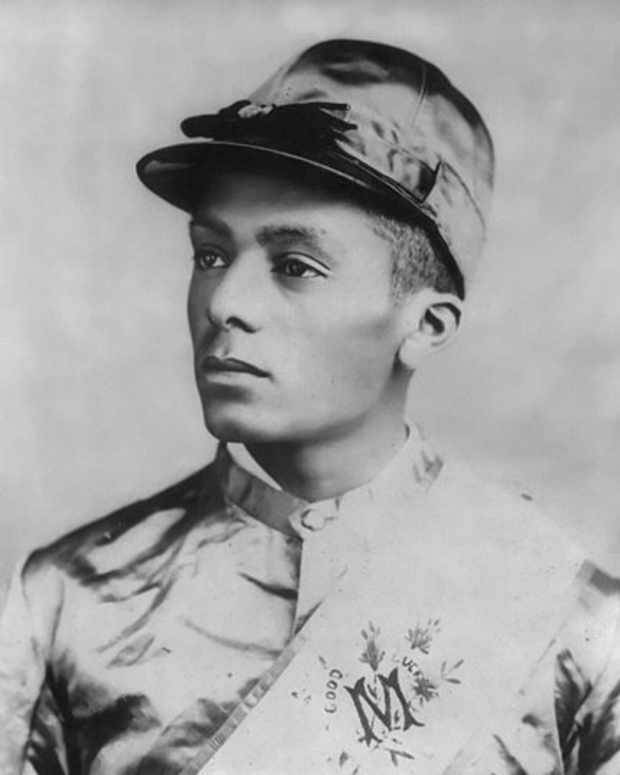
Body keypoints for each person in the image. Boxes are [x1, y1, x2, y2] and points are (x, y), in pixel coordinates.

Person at [1, 38, 619, 775]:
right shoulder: (69, 599)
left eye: (295, 266)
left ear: (427, 325)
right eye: (210, 255)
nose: (224, 303)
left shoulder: (573, 623)